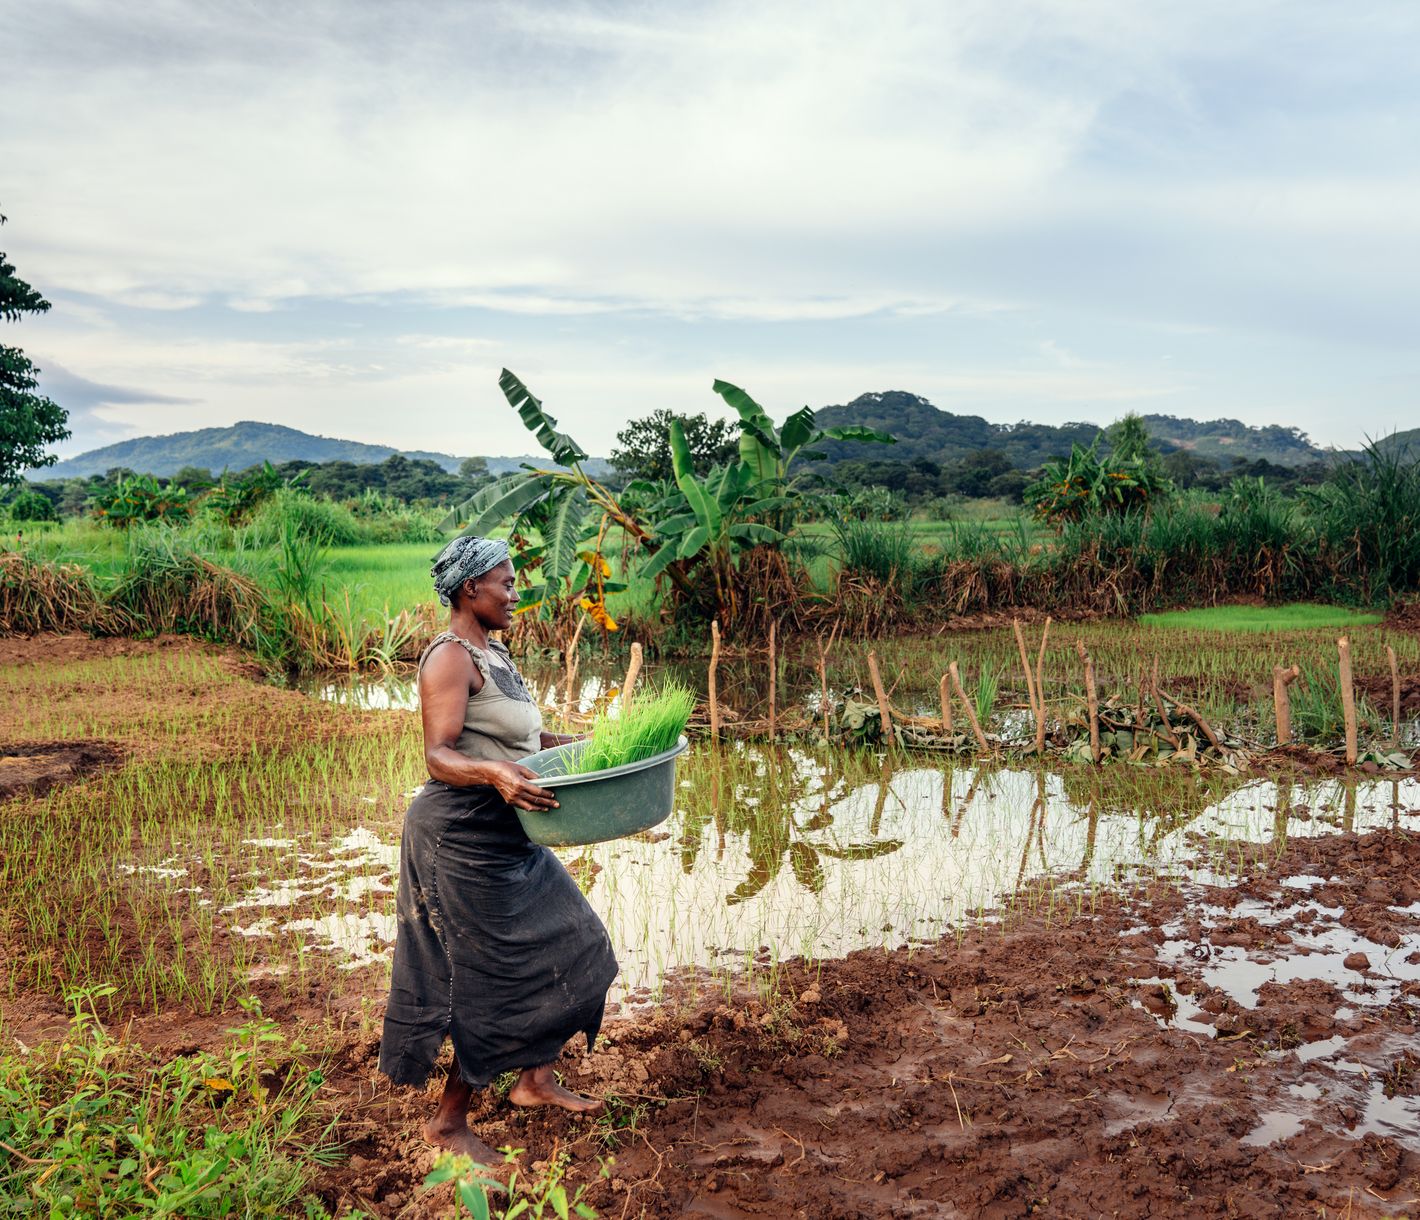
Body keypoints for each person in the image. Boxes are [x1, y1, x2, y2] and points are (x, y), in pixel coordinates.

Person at [379, 536, 618, 1161]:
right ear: (469, 590)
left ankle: (534, 1081)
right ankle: (448, 1123)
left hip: (512, 828)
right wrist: (496, 775)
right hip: (460, 834)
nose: (515, 595)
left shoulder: (497, 652)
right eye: (506, 584)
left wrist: (589, 745)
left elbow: (527, 736)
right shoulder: (448, 659)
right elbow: (438, 755)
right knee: (491, 980)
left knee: (577, 941)